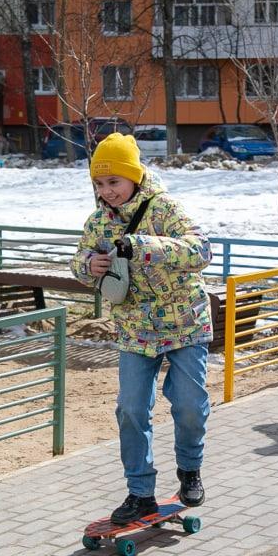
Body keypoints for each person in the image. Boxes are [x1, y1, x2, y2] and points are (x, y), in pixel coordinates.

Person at [70, 132, 214, 524]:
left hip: (184, 322)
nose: (106, 191)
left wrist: (143, 246)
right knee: (131, 410)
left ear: (134, 176)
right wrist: (89, 266)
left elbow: (202, 250)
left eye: (113, 181)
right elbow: (80, 259)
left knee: (188, 405)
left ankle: (189, 469)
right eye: (99, 184)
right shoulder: (98, 221)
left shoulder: (164, 209)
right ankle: (140, 492)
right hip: (135, 328)